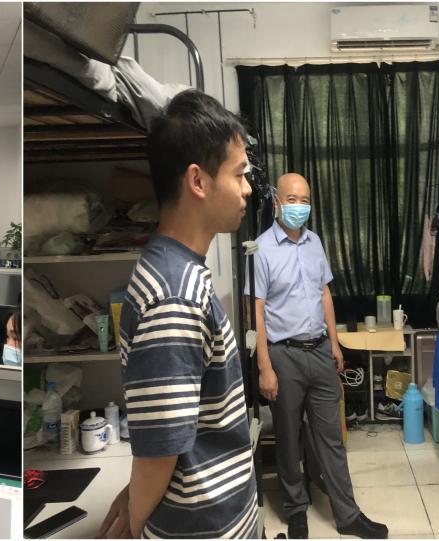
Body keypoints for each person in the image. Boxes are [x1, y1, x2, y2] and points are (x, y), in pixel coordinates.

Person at [96, 90, 257, 539]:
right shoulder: (174, 296)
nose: (247, 188)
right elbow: (160, 452)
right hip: (200, 527)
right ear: (198, 181)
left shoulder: (179, 273)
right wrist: (136, 521)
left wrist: (135, 494)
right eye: (239, 174)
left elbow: (177, 424)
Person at [251, 173, 387, 539]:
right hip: (283, 356)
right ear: (277, 202)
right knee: (288, 437)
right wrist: (265, 366)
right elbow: (257, 310)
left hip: (320, 350)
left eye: (305, 200)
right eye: (292, 199)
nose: (299, 206)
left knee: (332, 438)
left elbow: (324, 294)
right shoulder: (262, 249)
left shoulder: (315, 242)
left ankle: (348, 514)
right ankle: (296, 509)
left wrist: (335, 344)